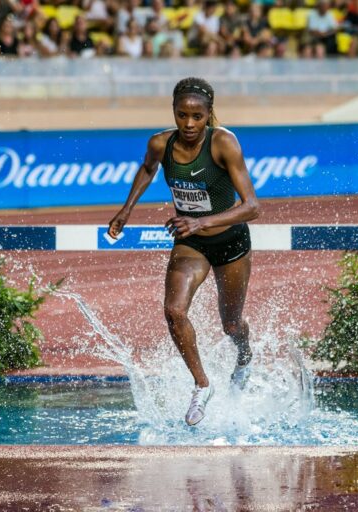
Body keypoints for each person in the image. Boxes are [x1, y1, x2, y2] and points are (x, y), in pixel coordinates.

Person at [108, 77, 261, 426]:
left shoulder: (224, 143)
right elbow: (148, 168)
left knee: (231, 323)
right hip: (191, 242)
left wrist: (201, 221)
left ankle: (245, 356)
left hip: (231, 242)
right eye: (182, 115)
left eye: (197, 116)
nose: (189, 124)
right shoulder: (160, 144)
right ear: (173, 113)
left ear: (209, 115)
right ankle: (202, 385)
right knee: (174, 311)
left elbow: (252, 206)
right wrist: (127, 209)